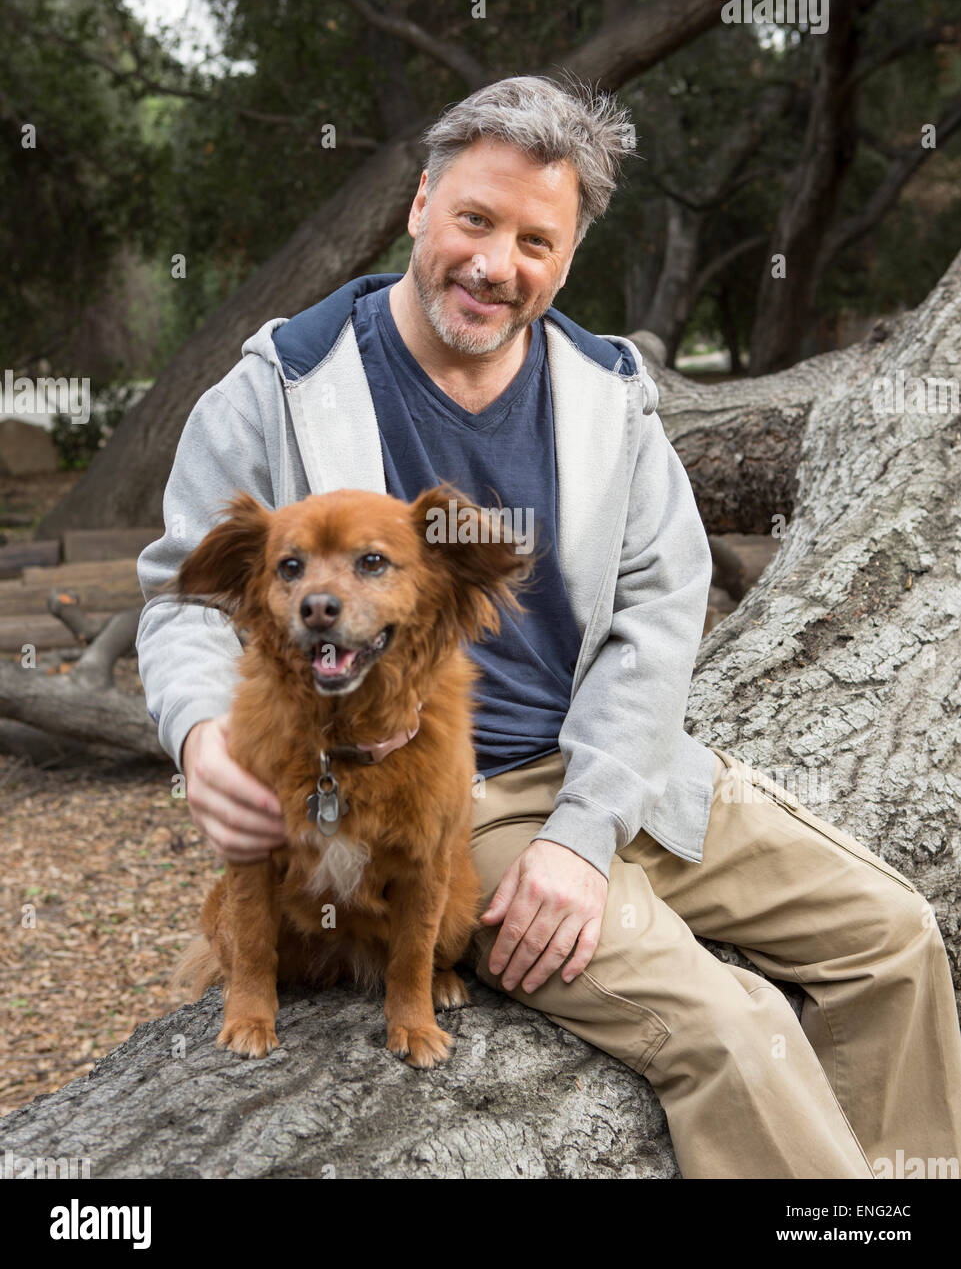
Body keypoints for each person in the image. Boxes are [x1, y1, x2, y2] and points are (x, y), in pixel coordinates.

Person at [136, 73, 961, 1179]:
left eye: (536, 239)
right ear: (421, 204)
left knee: (893, 940)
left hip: (624, 768)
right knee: (729, 1033)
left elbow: (658, 612)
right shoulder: (282, 386)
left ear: (566, 259)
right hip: (446, 802)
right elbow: (178, 598)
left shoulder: (606, 396)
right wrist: (198, 734)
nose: (494, 264)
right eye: (475, 219)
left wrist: (587, 829)